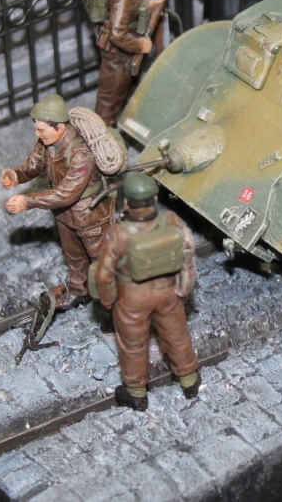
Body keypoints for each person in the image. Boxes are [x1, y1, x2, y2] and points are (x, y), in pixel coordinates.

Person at [95, 173, 199, 411]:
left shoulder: (118, 233)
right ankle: (189, 380)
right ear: (155, 199)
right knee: (177, 336)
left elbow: (103, 274)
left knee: (133, 345)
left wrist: (109, 301)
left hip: (132, 298)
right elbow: (187, 254)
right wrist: (183, 289)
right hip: (167, 292)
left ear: (127, 203)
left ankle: (136, 394)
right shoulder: (171, 220)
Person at [2, 94, 114, 309]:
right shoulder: (47, 142)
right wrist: (16, 175)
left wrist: (28, 201)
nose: (37, 134)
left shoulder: (82, 154)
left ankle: (112, 304)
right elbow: (34, 164)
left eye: (41, 130)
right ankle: (79, 291)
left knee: (102, 262)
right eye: (36, 129)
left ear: (60, 128)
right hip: (64, 213)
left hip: (89, 215)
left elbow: (66, 193)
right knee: (73, 255)